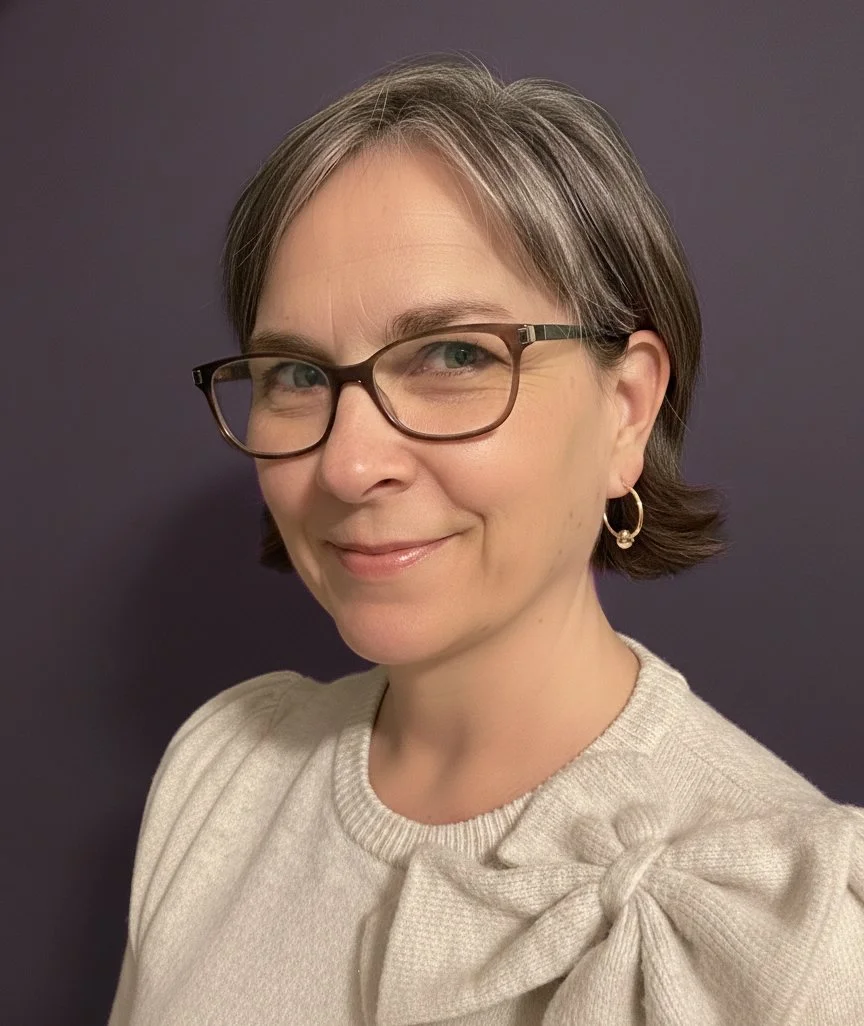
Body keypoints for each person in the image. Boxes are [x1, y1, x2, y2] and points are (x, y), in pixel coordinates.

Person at [108, 54, 864, 1026]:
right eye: (295, 373)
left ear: (627, 411)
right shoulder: (222, 779)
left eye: (455, 355)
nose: (347, 465)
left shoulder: (787, 936)